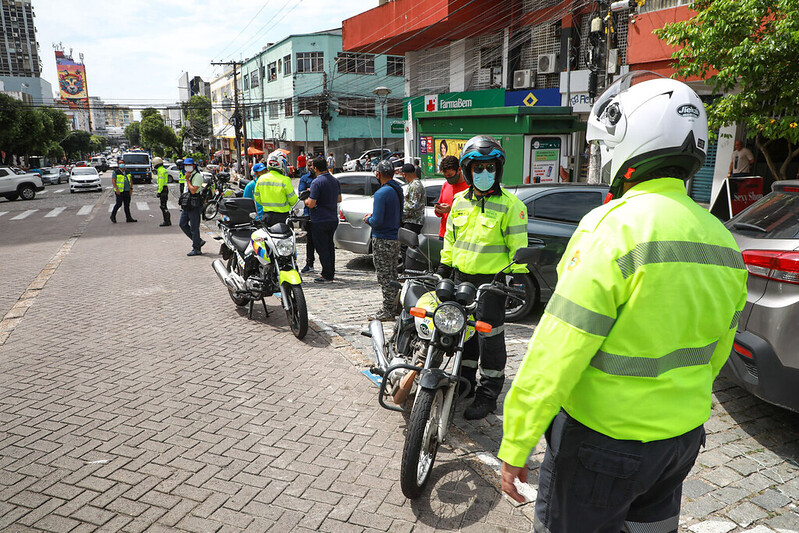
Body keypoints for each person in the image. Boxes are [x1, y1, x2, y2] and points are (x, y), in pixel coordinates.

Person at [498, 73, 749, 532]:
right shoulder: (723, 242)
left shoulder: (614, 228)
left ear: (631, 140)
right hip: (680, 441)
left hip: (602, 441)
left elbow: (558, 350)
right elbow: (717, 352)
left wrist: (516, 440)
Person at [437, 136, 528, 420]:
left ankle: (488, 395)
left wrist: (514, 278)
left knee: (490, 338)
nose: (484, 174)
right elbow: (451, 240)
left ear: (498, 171)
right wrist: (444, 267)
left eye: (490, 168)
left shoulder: (512, 205)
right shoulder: (459, 203)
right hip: (462, 278)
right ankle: (464, 383)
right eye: (478, 169)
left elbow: (518, 247)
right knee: (464, 333)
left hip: (493, 283)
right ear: (468, 171)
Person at [365, 160, 403, 321]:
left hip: (382, 239)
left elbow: (377, 221)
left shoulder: (382, 193)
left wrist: (368, 219)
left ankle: (388, 310)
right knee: (393, 274)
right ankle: (395, 306)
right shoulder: (397, 189)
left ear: (378, 174)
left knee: (385, 277)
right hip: (394, 238)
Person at [304, 157, 341, 283]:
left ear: (315, 168)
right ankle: (331, 271)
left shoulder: (316, 182)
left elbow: (312, 203)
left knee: (322, 248)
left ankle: (327, 275)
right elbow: (339, 199)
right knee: (330, 247)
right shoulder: (334, 180)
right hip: (332, 218)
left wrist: (306, 200)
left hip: (320, 219)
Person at [253, 150, 298, 226]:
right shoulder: (285, 180)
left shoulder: (261, 179)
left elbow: (257, 198)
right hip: (283, 218)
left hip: (266, 217)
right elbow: (293, 201)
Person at [434, 155, 469, 240]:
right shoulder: (445, 185)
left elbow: (472, 213)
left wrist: (451, 210)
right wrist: (438, 210)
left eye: (450, 175)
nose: (448, 179)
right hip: (444, 234)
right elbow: (440, 210)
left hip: (461, 235)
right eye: (446, 177)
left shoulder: (469, 187)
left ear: (459, 170)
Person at [179, 157, 205, 256]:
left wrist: (188, 180)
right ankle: (198, 241)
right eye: (186, 165)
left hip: (194, 203)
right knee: (182, 224)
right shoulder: (186, 175)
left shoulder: (197, 176)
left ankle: (196, 248)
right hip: (187, 204)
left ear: (194, 166)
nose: (187, 167)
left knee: (194, 227)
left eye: (189, 165)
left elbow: (193, 190)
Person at [298, 161, 316, 273]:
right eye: (308, 165)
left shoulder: (322, 178)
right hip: (308, 213)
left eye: (312, 165)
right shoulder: (305, 178)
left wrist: (312, 191)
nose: (310, 167)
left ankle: (328, 268)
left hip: (321, 213)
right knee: (310, 241)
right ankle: (309, 264)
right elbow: (302, 193)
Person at [153, 157, 171, 227]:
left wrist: (159, 192)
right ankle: (167, 220)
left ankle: (166, 221)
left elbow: (161, 183)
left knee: (163, 206)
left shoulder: (160, 171)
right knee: (164, 206)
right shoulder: (163, 169)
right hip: (165, 189)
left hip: (163, 189)